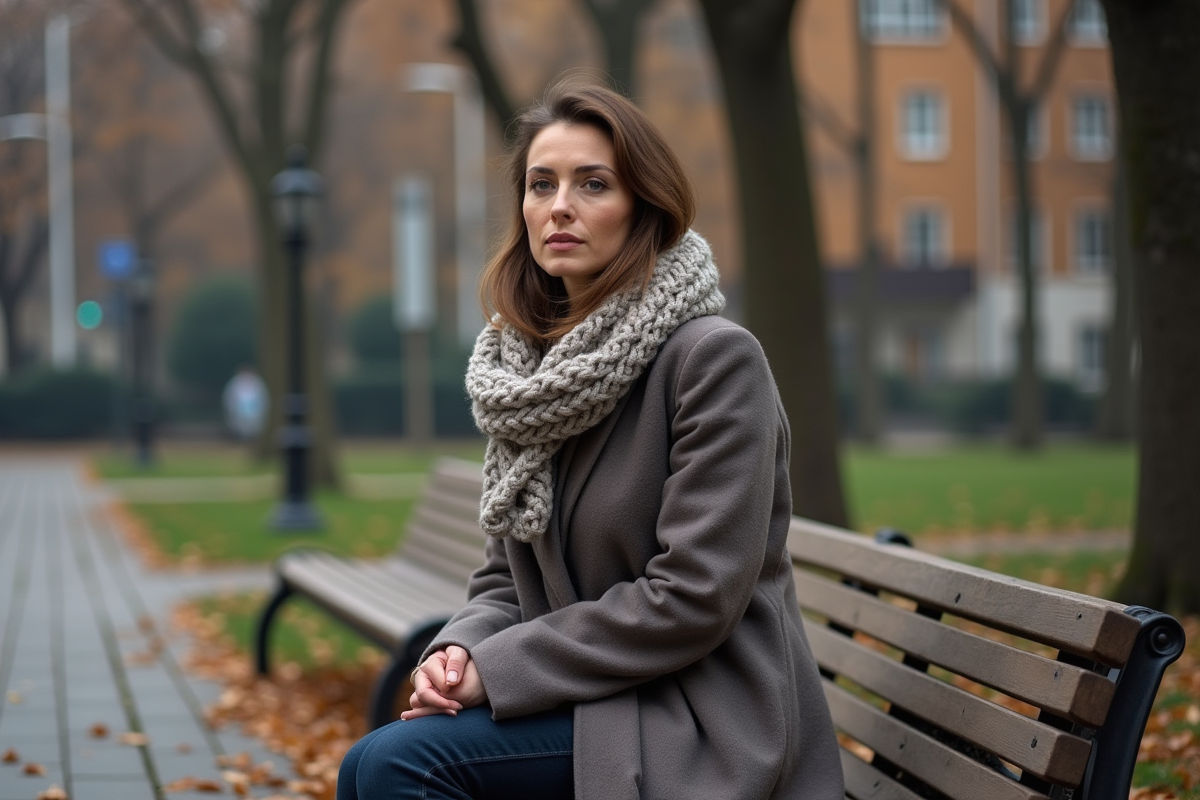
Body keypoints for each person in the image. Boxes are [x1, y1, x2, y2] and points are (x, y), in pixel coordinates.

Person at [337, 80, 844, 800]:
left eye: (593, 184)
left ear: (644, 206)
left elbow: (693, 598)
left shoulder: (712, 361)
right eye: (541, 185)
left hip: (700, 716)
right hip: (595, 693)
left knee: (400, 764)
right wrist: (459, 648)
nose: (560, 206)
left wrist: (501, 669)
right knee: (365, 763)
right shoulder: (533, 377)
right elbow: (502, 580)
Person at [222, 365, 267, 440]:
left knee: (254, 429)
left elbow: (263, 399)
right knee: (241, 429)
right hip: (239, 412)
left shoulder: (258, 383)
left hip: (255, 413)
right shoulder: (235, 383)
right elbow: (230, 398)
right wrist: (232, 410)